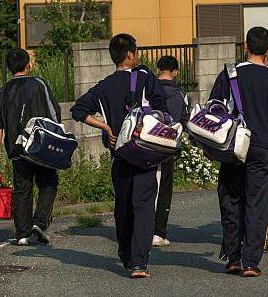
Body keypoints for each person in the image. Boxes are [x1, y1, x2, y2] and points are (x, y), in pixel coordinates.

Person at [71, 34, 168, 278]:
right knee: (144, 206)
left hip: (119, 155)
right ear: (130, 55)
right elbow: (163, 109)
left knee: (123, 206)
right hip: (145, 153)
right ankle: (139, 263)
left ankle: (125, 256)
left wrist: (105, 127)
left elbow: (78, 110)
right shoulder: (145, 78)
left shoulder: (104, 85)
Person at [209, 27, 268, 277]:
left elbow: (214, 107)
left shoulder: (230, 74)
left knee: (231, 199)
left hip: (233, 146)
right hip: (260, 148)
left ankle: (233, 257)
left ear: (245, 45)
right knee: (257, 203)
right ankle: (251, 262)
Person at [0, 48, 62, 247]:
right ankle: (39, 223)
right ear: (28, 65)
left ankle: (22, 234)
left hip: (16, 150)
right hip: (40, 146)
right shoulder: (39, 84)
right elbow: (54, 113)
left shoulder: (2, 93)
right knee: (49, 183)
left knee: (22, 190)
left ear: (8, 68)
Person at [152, 55, 191, 247]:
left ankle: (141, 228)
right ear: (175, 72)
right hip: (169, 147)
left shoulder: (148, 91)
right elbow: (186, 121)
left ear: (157, 69)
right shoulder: (181, 95)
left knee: (146, 188)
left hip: (146, 147)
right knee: (164, 190)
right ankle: (159, 232)